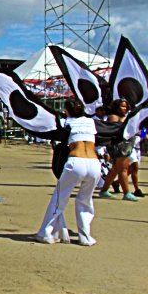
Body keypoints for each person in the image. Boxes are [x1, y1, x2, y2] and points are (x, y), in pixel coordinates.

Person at [35, 98, 100, 245]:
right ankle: (85, 237)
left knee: (59, 198)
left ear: (67, 111)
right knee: (85, 200)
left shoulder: (66, 122)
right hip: (94, 163)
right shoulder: (91, 122)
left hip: (76, 161)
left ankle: (46, 233)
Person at [98, 99, 138, 201]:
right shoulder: (113, 117)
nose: (124, 108)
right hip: (119, 146)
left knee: (115, 169)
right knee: (123, 169)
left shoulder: (126, 117)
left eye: (125, 106)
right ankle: (126, 192)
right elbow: (111, 131)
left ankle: (104, 190)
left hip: (127, 145)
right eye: (122, 106)